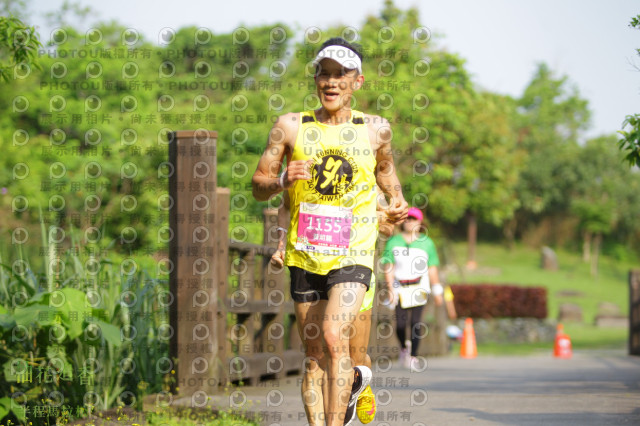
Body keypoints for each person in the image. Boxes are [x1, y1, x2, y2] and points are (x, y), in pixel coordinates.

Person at [252, 37, 408, 426]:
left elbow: (386, 171)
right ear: (316, 79)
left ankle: (344, 407)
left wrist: (397, 200)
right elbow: (258, 185)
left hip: (354, 252)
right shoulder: (290, 126)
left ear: (358, 81)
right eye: (325, 73)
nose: (332, 81)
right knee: (314, 354)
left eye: (342, 74)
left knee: (336, 338)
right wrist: (281, 180)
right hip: (306, 253)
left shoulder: (375, 129)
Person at [270, 191, 394, 424]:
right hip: (311, 267)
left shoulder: (368, 182)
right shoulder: (306, 175)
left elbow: (389, 228)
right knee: (315, 357)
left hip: (353, 270)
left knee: (355, 358)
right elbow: (285, 205)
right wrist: (281, 244)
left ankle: (359, 383)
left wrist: (365, 217)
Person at [381, 207, 442, 369]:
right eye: (407, 218)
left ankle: (413, 355)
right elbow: (388, 266)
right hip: (399, 287)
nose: (410, 222)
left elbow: (432, 268)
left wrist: (437, 291)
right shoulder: (393, 241)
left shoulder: (427, 243)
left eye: (413, 219)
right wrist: (390, 289)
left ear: (420, 222)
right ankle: (404, 347)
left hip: (419, 287)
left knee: (415, 322)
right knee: (400, 324)